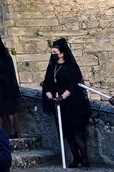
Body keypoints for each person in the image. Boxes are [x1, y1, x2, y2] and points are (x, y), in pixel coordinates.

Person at [41, 38, 91, 168]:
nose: (52, 54)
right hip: (58, 106)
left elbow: (73, 85)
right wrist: (50, 96)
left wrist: (62, 97)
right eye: (51, 52)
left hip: (72, 105)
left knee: (77, 132)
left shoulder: (71, 66)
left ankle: (85, 159)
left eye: (55, 52)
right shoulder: (52, 67)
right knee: (67, 134)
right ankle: (76, 157)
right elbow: (47, 84)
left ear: (62, 53)